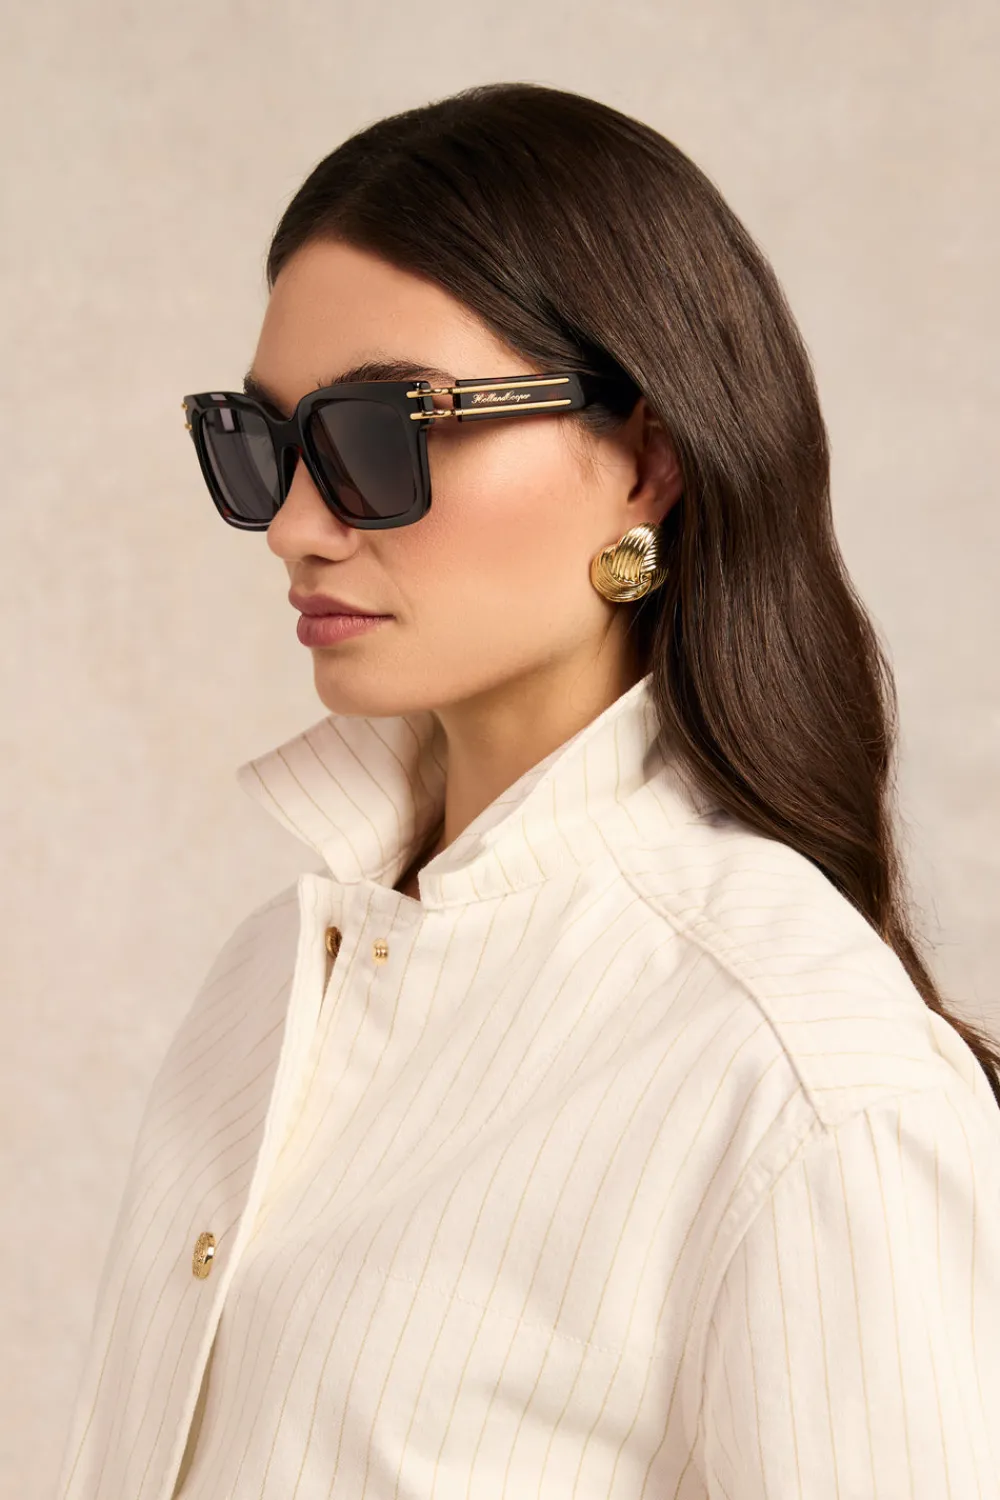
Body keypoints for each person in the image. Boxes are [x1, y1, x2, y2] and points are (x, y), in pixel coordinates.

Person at [56, 82, 1000, 1500]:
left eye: (380, 431)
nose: (297, 526)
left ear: (646, 460)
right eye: (263, 443)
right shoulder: (270, 983)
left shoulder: (800, 1076)